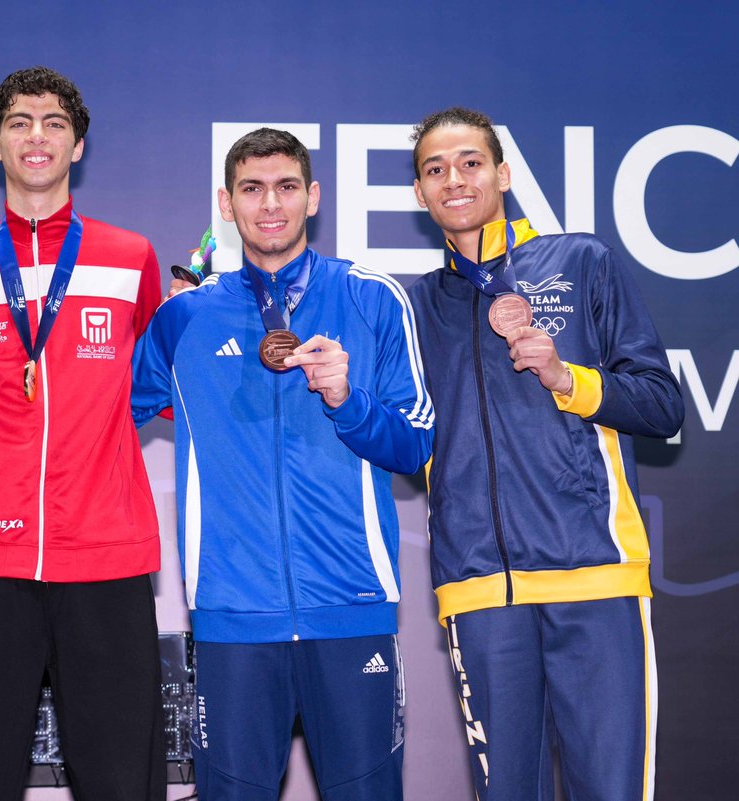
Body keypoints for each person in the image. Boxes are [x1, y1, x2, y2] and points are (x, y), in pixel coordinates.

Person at [131, 127, 434, 800]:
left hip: (352, 610)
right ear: (227, 202)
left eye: (287, 187)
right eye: (252, 188)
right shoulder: (186, 318)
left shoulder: (372, 296)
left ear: (313, 196)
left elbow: (415, 445)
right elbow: (105, 417)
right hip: (232, 617)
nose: (271, 204)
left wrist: (348, 399)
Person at [407, 106, 685, 801]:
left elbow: (661, 404)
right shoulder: (416, 305)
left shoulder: (580, 260)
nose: (455, 179)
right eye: (435, 169)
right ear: (419, 194)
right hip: (480, 588)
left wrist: (569, 379)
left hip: (594, 576)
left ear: (502, 173)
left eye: (470, 162)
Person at [0, 67, 165, 801]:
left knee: (123, 780)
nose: (37, 135)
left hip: (105, 559)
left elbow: (154, 384)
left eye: (54, 122)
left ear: (78, 145)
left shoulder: (130, 257)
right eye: (20, 122)